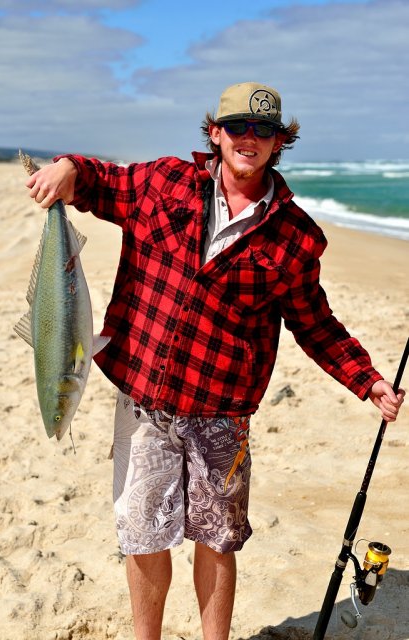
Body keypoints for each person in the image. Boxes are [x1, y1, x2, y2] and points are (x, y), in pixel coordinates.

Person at [26, 81, 405, 640]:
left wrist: (365, 378)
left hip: (223, 413)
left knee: (217, 539)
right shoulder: (163, 183)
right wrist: (66, 166)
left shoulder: (296, 237)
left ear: (280, 142)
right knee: (143, 535)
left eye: (265, 131)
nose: (249, 139)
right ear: (215, 132)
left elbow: (314, 320)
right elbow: (100, 182)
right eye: (238, 127)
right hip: (144, 400)